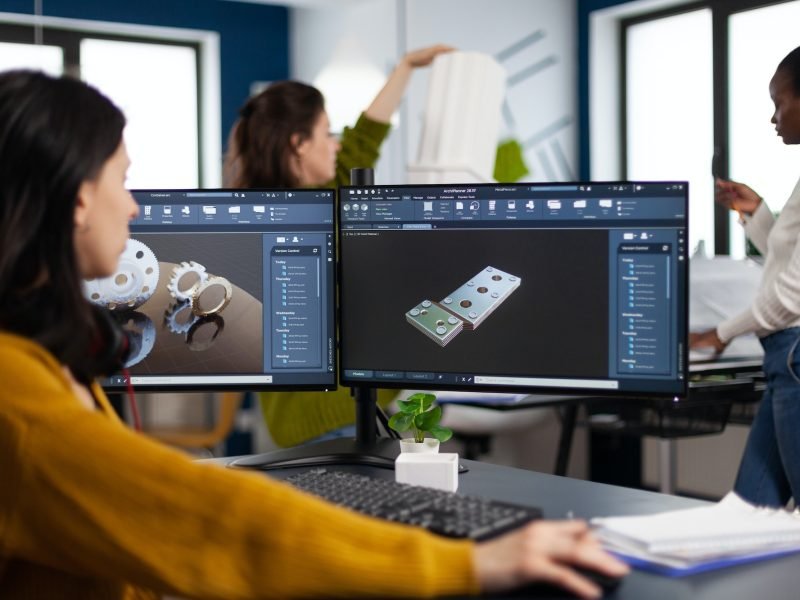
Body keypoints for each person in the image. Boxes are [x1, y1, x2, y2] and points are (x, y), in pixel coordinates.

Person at [0, 69, 628, 599]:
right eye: (121, 177)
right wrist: (468, 563)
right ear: (78, 198)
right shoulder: (19, 400)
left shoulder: (45, 368)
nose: (135, 206)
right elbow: (212, 525)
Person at [223, 45, 453, 448]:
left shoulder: (246, 215)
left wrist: (406, 67)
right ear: (299, 144)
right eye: (327, 132)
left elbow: (364, 138)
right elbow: (364, 140)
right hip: (340, 415)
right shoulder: (326, 207)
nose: (336, 143)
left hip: (292, 424)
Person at [690, 45, 800, 507]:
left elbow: (792, 297)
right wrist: (756, 213)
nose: (774, 118)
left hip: (793, 353)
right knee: (751, 508)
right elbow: (788, 252)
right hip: (785, 360)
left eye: (780, 103)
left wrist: (719, 333)